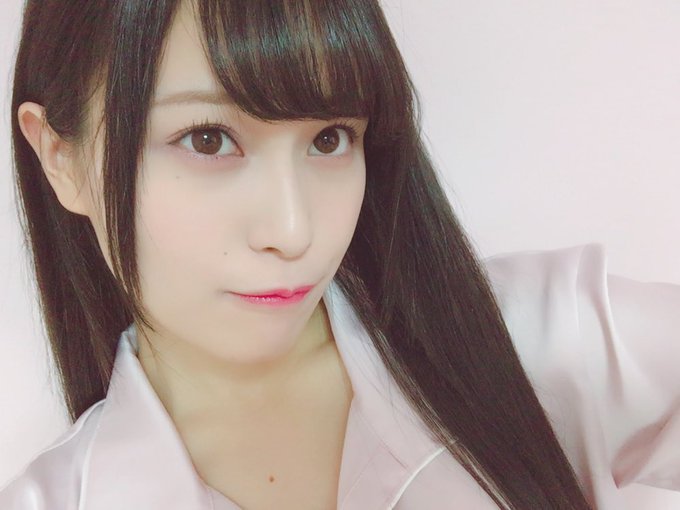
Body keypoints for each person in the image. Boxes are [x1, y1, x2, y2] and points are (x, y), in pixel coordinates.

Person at [1, 0, 678, 508]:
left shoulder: (538, 342)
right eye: (208, 139)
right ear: (59, 156)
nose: (294, 231)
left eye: (329, 138)